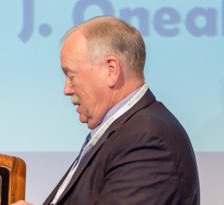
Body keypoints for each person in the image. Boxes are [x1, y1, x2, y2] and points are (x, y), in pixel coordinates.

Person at [14, 16, 199, 205]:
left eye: (72, 76)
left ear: (111, 70)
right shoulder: (127, 132)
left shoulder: (147, 140)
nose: (67, 89)